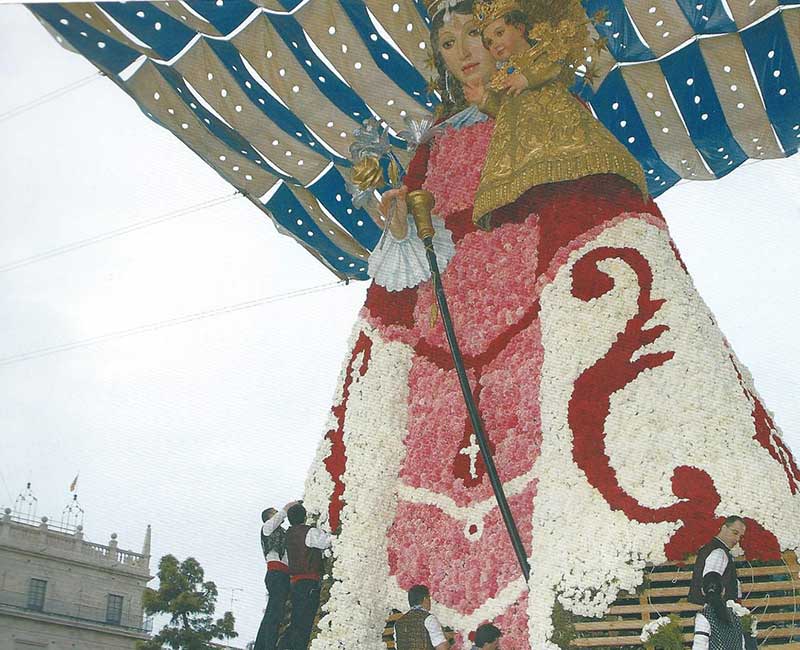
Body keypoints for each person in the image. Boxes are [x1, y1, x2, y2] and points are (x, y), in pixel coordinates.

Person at [303, 0, 800, 646]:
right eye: (449, 43)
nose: (466, 52)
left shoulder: (541, 107)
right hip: (446, 332)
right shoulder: (435, 142)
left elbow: (576, 205)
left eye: (476, 35)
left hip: (528, 312)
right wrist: (399, 214)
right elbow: (417, 240)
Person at [464, 0, 647, 228]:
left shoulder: (542, 49)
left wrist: (527, 78)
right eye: (489, 42)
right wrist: (483, 99)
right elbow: (504, 113)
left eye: (500, 33)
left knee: (572, 174)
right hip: (523, 144)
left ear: (519, 28)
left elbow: (553, 66)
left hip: (557, 120)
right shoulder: (503, 77)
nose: (496, 45)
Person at [279, 502, 331, 650]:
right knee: (305, 623)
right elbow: (326, 542)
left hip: (295, 583)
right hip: (309, 582)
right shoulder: (308, 532)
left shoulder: (288, 535)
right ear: (305, 516)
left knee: (297, 621)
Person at [254, 503, 296, 650]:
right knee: (274, 613)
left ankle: (263, 645)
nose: (277, 513)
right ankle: (267, 646)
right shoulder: (267, 527)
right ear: (269, 517)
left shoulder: (282, 532)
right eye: (274, 512)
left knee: (275, 611)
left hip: (283, 574)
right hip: (276, 573)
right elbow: (282, 514)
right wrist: (290, 506)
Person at [689, 517, 746, 605]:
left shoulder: (715, 548)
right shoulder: (718, 553)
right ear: (723, 528)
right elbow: (711, 590)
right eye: (735, 533)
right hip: (710, 611)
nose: (738, 539)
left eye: (740, 536)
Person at [691, 572, 746, 650]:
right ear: (723, 591)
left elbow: (699, 647)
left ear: (702, 591)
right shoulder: (735, 614)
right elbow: (742, 646)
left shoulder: (703, 617)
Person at [393, 585, 449, 650]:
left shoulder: (398, 623)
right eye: (429, 598)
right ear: (425, 599)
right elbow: (442, 647)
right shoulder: (429, 619)